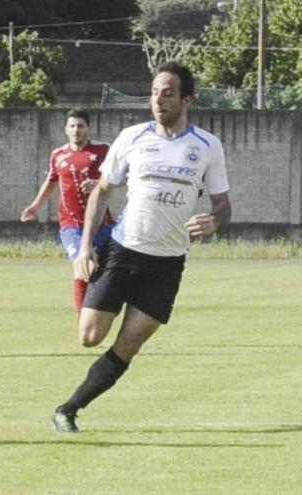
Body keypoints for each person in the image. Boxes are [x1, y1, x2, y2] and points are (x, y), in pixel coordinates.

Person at [51, 61, 232, 432]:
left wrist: (214, 221)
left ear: (186, 100)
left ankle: (67, 410)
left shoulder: (207, 146)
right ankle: (103, 299)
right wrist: (85, 247)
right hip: (123, 253)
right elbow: (102, 191)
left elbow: (223, 204)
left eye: (168, 93)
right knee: (89, 336)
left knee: (127, 346)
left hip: (167, 265)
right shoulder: (132, 137)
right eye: (154, 92)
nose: (158, 100)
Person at [21, 108, 114, 313]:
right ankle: (84, 320)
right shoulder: (58, 155)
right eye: (72, 126)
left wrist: (99, 183)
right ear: (65, 129)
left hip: (101, 222)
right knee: (81, 268)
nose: (76, 130)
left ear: (88, 128)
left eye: (80, 126)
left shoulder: (103, 151)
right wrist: (36, 206)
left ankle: (101, 312)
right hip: (71, 224)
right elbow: (51, 180)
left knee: (103, 272)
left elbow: (117, 178)